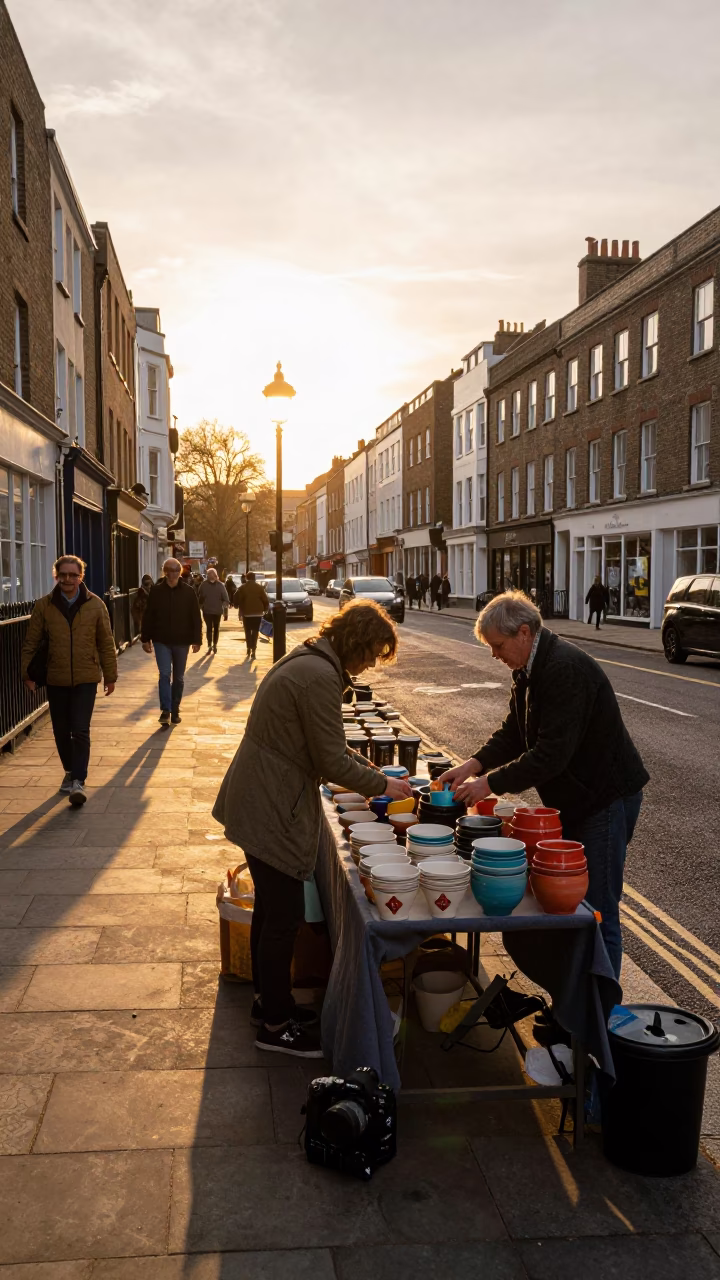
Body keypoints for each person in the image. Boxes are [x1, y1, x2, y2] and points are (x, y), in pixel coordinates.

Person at [213, 599, 413, 1057]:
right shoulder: (320, 676)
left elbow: (329, 747)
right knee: (282, 920)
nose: (366, 667)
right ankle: (276, 1027)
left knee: (270, 911)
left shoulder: (312, 659)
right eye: (369, 655)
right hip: (271, 803)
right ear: (356, 643)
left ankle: (269, 1004)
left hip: (261, 794)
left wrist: (373, 772)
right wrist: (385, 784)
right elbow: (329, 760)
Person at [439, 590, 648, 981]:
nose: (494, 655)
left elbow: (551, 755)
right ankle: (572, 1013)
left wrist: (488, 784)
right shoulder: (530, 670)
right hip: (578, 799)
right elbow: (515, 734)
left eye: (497, 646)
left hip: (604, 800)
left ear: (523, 633)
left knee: (596, 911)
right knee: (566, 908)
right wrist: (472, 765)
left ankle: (598, 1024)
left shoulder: (563, 670)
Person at [21, 554, 117, 807]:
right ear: (56, 576)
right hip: (56, 677)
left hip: (86, 676)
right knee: (61, 730)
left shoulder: (96, 605)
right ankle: (69, 771)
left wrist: (110, 676)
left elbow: (106, 643)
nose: (67, 579)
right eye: (62, 574)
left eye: (72, 575)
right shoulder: (44, 606)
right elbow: (31, 642)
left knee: (81, 729)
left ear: (80, 577)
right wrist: (27, 674)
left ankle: (78, 781)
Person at [141, 557, 202, 726]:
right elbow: (148, 615)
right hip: (161, 640)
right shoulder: (156, 591)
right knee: (165, 674)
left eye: (176, 570)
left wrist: (197, 639)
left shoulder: (189, 591)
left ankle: (175, 708)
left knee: (179, 678)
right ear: (165, 572)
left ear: (180, 572)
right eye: (169, 570)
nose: (173, 573)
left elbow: (196, 617)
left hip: (182, 641)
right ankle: (165, 710)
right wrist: (145, 638)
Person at [235, 571, 270, 659]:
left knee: (247, 631)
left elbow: (236, 596)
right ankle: (253, 649)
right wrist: (265, 608)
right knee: (255, 631)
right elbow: (265, 599)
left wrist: (237, 605)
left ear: (246, 578)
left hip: (246, 613)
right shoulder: (259, 588)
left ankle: (248, 647)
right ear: (254, 578)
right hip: (257, 613)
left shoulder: (243, 587)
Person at [197, 567, 230, 654]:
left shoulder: (220, 585)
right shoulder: (204, 584)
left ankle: (214, 644)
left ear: (215, 575)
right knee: (208, 628)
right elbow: (199, 595)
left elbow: (226, 599)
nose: (210, 576)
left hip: (217, 611)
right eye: (209, 574)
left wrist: (226, 612)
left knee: (216, 628)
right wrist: (200, 605)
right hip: (207, 610)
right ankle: (209, 645)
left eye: (212, 574)